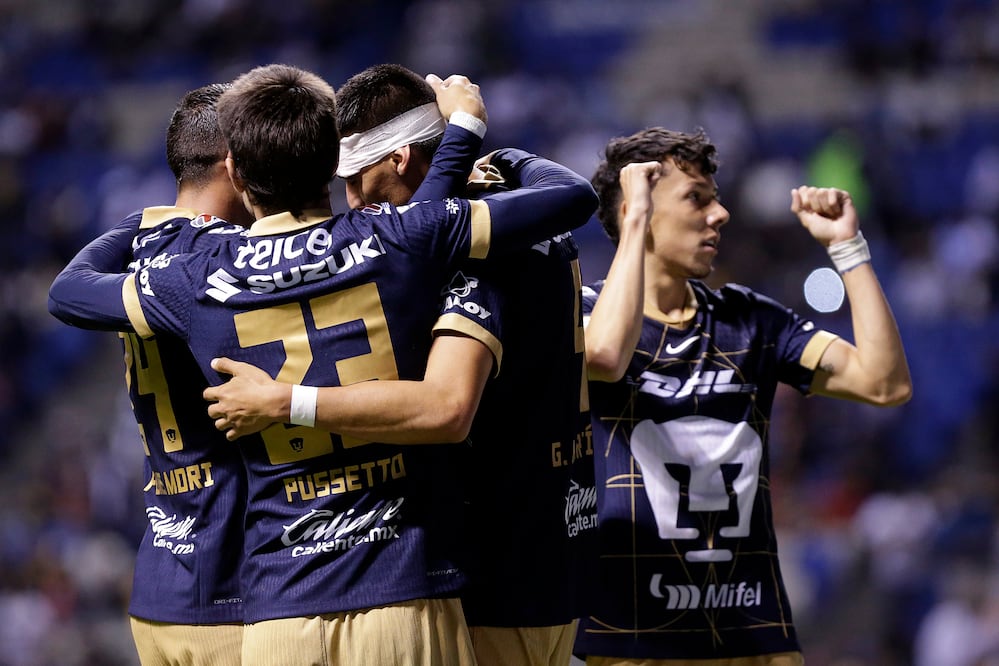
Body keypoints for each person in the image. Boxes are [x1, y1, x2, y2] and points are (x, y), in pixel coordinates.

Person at [49, 63, 597, 666]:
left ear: (235, 168)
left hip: (267, 605)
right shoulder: (399, 240)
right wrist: (469, 130)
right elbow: (570, 198)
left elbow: (69, 293)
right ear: (327, 167)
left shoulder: (199, 271)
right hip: (403, 589)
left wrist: (143, 225)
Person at [573, 127, 912, 665]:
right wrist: (633, 219)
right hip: (630, 637)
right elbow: (604, 357)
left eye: (717, 197)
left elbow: (885, 382)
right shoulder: (581, 314)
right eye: (697, 199)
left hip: (752, 635)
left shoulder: (751, 320)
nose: (721, 214)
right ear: (637, 210)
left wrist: (847, 248)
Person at [49, 83, 253, 666]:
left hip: (160, 582)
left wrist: (145, 220)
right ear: (235, 165)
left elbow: (66, 287)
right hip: (231, 582)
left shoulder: (144, 251)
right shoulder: (224, 260)